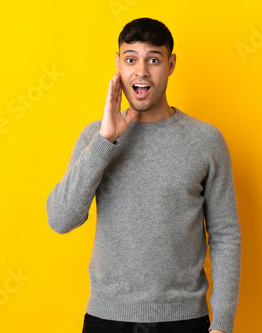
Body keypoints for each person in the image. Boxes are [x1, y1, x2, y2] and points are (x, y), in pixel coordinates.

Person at [46, 17, 241, 333]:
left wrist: (222, 324)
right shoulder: (96, 137)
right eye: (131, 59)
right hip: (106, 319)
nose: (141, 71)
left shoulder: (205, 140)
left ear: (171, 63)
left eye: (153, 59)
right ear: (118, 65)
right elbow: (61, 219)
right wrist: (105, 141)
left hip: (183, 320)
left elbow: (225, 234)